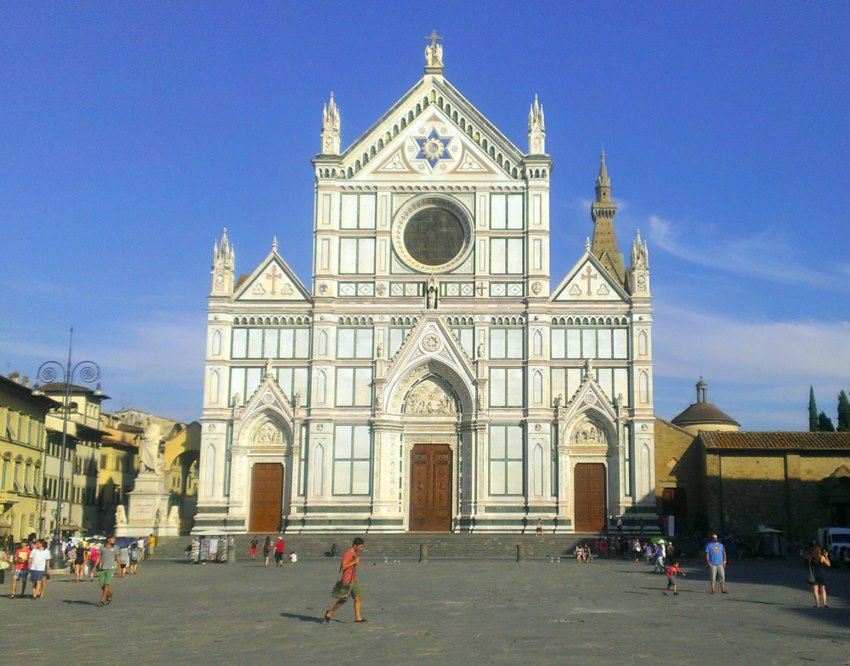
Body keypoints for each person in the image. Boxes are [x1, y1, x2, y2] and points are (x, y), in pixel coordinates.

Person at [324, 537, 366, 623]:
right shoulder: (348, 553)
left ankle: (358, 618)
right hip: (347, 580)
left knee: (358, 597)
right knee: (343, 599)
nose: (361, 549)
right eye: (360, 547)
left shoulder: (354, 552)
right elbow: (344, 566)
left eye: (362, 547)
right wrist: (355, 562)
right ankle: (330, 612)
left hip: (353, 579)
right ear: (355, 545)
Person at [97, 535, 121, 607]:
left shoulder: (116, 548)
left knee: (107, 584)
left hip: (111, 568)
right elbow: (99, 557)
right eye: (112, 539)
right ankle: (109, 594)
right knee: (102, 585)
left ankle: (102, 600)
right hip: (103, 568)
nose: (114, 540)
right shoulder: (102, 548)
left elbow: (118, 558)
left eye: (114, 539)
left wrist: (119, 569)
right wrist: (95, 566)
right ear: (108, 539)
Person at [805, 542, 830, 608]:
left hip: (813, 575)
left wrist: (810, 552)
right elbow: (828, 564)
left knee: (815, 590)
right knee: (823, 589)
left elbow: (805, 557)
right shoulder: (822, 557)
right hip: (821, 575)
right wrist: (826, 556)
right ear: (819, 551)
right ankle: (825, 603)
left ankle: (817, 604)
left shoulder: (811, 557)